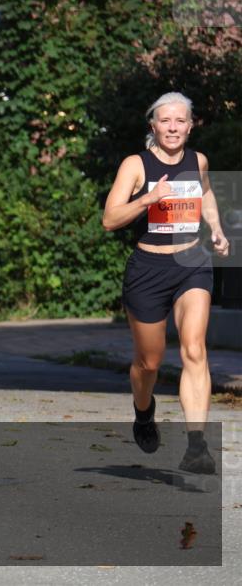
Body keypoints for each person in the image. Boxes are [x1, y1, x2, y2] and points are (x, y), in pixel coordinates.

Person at [102, 92, 230, 474]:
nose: (173, 128)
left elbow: (205, 193)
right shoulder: (136, 165)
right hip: (148, 269)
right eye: (165, 121)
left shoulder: (198, 161)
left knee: (194, 349)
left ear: (190, 126)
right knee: (149, 361)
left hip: (192, 263)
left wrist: (217, 229)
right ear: (153, 126)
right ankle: (144, 412)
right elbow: (110, 219)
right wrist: (148, 198)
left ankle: (197, 445)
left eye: (180, 121)